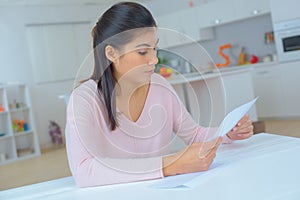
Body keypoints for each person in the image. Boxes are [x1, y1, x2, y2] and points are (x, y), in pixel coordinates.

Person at [65, 2, 254, 188]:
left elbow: (195, 135)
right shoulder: (84, 100)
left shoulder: (160, 86)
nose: (154, 59)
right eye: (142, 51)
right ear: (112, 53)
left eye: (154, 49)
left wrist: (226, 132)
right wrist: (172, 164)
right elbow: (85, 170)